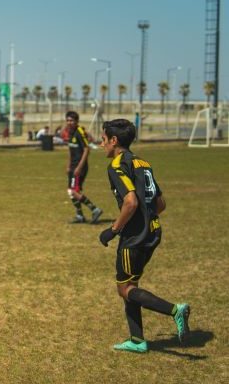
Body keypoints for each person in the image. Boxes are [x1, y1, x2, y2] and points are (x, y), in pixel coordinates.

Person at [98, 119, 190, 353]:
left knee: (124, 289)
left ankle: (174, 310)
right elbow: (160, 202)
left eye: (103, 139)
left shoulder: (117, 165)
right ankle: (137, 340)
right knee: (132, 283)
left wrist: (113, 230)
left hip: (134, 237)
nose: (101, 144)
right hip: (153, 231)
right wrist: (146, 220)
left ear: (114, 141)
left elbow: (130, 201)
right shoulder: (142, 162)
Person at [64, 111, 103, 224]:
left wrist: (79, 167)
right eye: (68, 120)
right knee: (71, 191)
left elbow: (87, 149)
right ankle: (80, 215)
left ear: (76, 121)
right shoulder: (70, 132)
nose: (69, 122)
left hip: (79, 167)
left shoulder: (79, 132)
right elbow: (71, 150)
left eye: (71, 120)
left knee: (73, 191)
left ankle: (95, 209)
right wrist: (68, 165)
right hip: (73, 166)